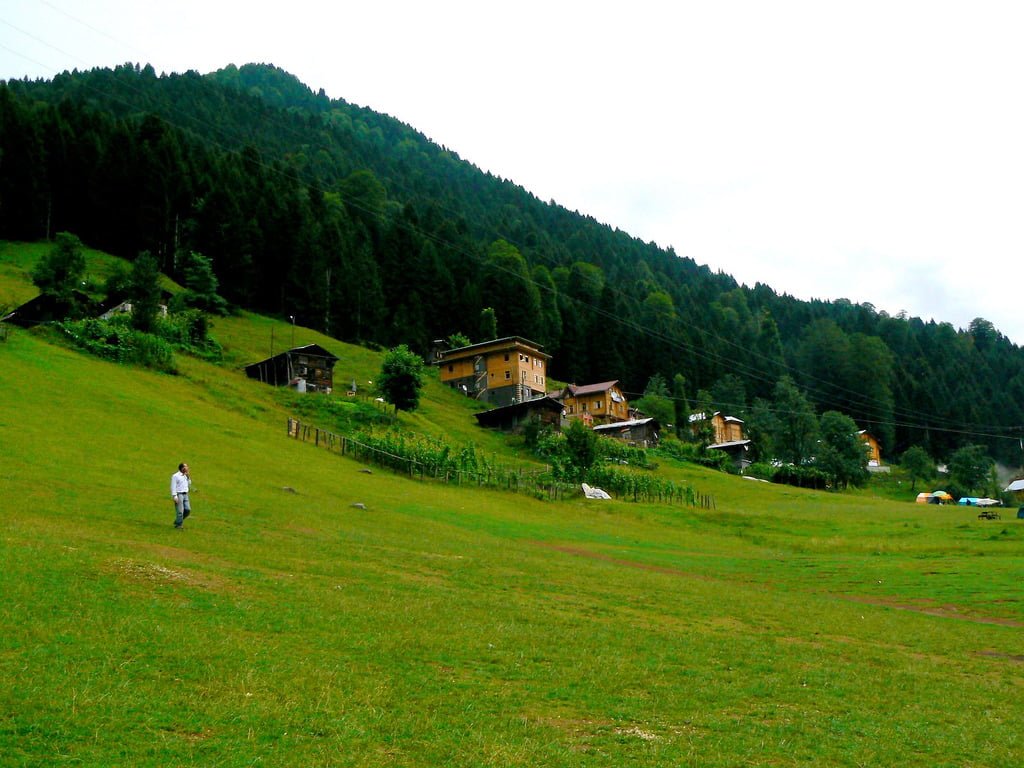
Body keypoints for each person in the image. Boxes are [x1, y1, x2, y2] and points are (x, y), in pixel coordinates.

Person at [170, 462, 192, 528]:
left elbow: (189, 483)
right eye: (185, 466)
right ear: (182, 468)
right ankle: (179, 525)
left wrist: (188, 476)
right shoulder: (175, 476)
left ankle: (177, 521)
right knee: (180, 511)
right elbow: (173, 486)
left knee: (188, 510)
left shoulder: (185, 475)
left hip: (185, 494)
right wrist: (174, 496)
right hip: (179, 494)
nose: (187, 468)